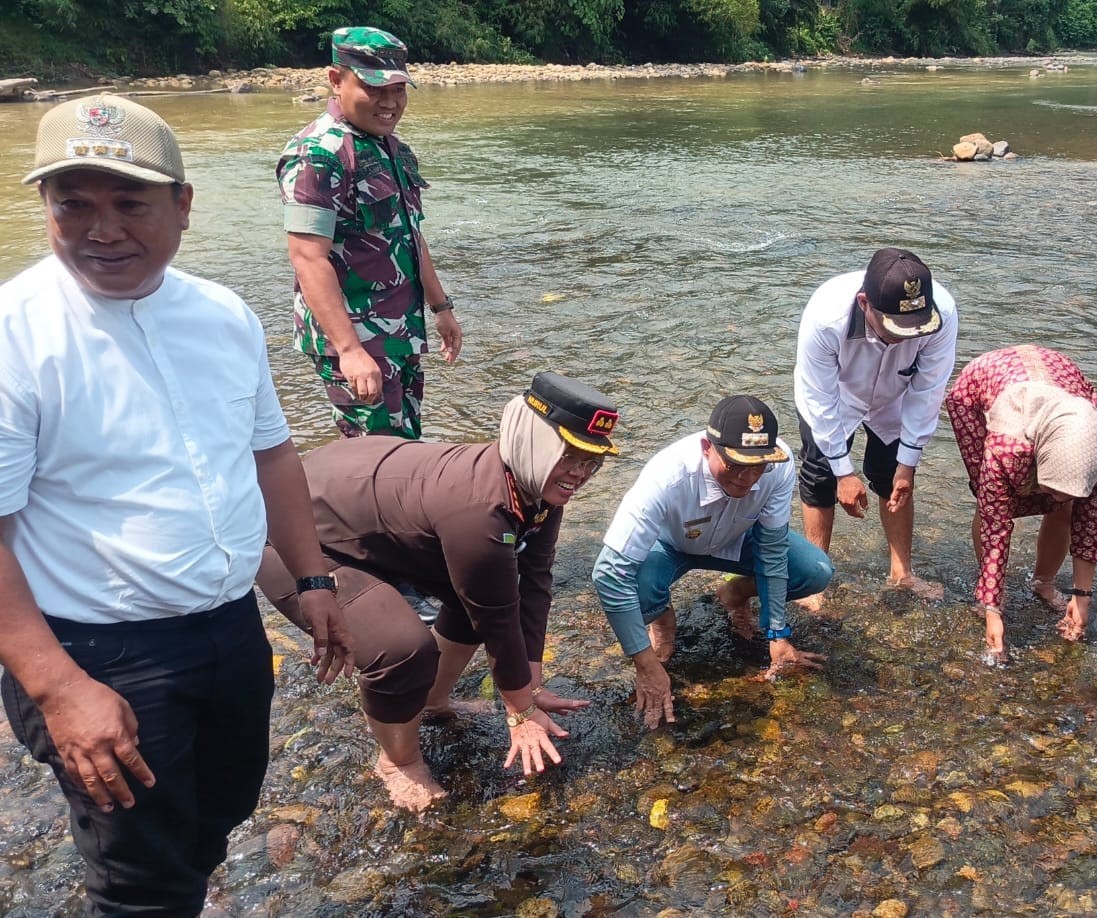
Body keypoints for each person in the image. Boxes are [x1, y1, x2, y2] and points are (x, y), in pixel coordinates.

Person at [0, 95, 354, 916]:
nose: (102, 229)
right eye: (74, 205)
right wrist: (58, 689)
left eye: (130, 202)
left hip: (228, 624)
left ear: (183, 206)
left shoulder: (222, 315)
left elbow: (270, 454)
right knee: (140, 878)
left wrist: (313, 580)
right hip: (97, 648)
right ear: (46, 210)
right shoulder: (17, 334)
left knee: (219, 814)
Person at [256, 372, 620, 811]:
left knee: (481, 596)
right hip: (291, 538)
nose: (579, 475)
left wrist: (531, 685)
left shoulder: (534, 488)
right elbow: (498, 617)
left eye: (592, 463)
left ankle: (432, 703)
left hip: (364, 523)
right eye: (571, 457)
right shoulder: (480, 508)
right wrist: (519, 710)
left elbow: (534, 584)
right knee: (402, 648)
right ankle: (397, 760)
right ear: (537, 446)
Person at [593, 396, 833, 730]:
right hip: (671, 544)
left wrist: (778, 634)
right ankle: (662, 619)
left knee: (815, 572)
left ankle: (735, 594)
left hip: (739, 538)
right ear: (707, 447)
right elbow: (609, 573)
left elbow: (773, 551)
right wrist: (644, 662)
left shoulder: (778, 465)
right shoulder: (668, 475)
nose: (747, 478)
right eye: (734, 464)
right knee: (637, 581)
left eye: (757, 466)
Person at [277, 26, 463, 439]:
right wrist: (349, 351)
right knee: (373, 463)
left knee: (404, 450)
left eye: (399, 89)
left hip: (400, 331)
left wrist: (440, 307)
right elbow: (308, 257)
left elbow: (409, 235)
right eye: (375, 88)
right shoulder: (319, 153)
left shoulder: (390, 147)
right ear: (335, 79)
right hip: (356, 336)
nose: (390, 102)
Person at [794, 247, 959, 605]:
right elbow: (820, 398)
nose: (907, 336)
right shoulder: (825, 316)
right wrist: (842, 471)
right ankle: (814, 581)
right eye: (895, 327)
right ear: (865, 302)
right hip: (836, 393)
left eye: (916, 327)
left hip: (897, 394)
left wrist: (908, 463)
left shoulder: (942, 313)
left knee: (893, 479)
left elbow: (928, 390)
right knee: (820, 476)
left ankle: (902, 573)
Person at [944, 345, 1097, 662]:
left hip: (1061, 390)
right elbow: (995, 525)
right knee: (992, 501)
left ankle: (1044, 582)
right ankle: (989, 593)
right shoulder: (1006, 450)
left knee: (1064, 505)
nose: (1058, 498)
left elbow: (1091, 522)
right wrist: (992, 608)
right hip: (980, 390)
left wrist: (1083, 595)